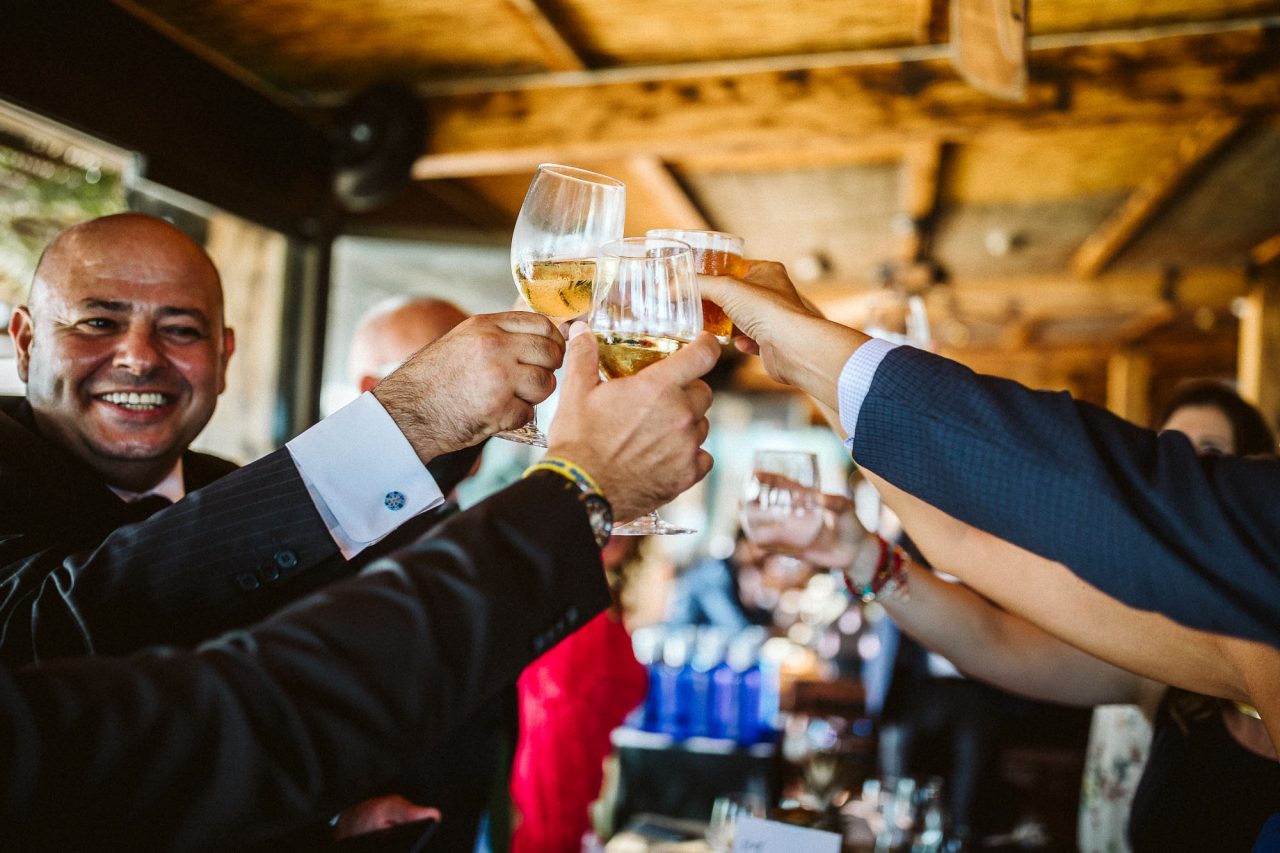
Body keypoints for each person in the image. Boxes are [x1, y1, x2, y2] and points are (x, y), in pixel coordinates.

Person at [1, 317, 720, 850]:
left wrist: (326, 825)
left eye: (181, 327)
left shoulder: (229, 489)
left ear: (224, 354)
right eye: (97, 318)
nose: (136, 354)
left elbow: (156, 762)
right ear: (24, 337)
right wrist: (574, 495)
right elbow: (253, 706)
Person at [698, 262, 1280, 846]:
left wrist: (806, 343)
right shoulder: (1208, 664)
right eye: (1171, 457)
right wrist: (856, 550)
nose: (1181, 488)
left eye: (1201, 471)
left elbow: (1019, 488)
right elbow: (978, 601)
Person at [809, 382, 1278, 851]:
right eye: (1169, 456)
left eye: (1212, 456)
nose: (1187, 479)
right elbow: (991, 639)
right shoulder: (1174, 668)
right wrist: (859, 556)